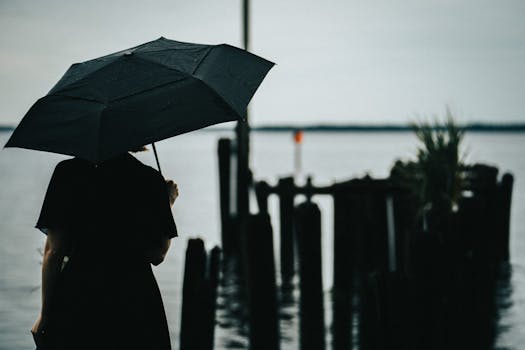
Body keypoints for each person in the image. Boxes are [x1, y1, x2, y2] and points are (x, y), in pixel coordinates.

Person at [30, 150, 179, 350]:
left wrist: (45, 316)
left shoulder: (68, 173)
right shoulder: (148, 178)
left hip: (79, 297)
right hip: (134, 299)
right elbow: (158, 254)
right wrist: (167, 201)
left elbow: (54, 252)